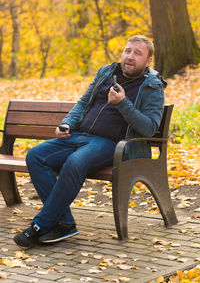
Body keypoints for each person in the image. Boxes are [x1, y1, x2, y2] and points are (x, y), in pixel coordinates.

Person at [13, 35, 167, 249]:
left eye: (137, 53)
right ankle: (64, 223)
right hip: (80, 136)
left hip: (112, 144)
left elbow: (149, 127)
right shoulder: (106, 72)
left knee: (76, 162)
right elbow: (84, 102)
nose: (130, 57)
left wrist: (123, 104)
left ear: (148, 61)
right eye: (127, 51)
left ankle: (39, 226)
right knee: (36, 156)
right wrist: (67, 124)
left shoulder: (152, 86)